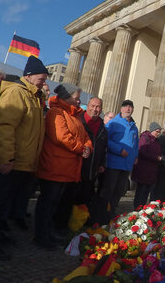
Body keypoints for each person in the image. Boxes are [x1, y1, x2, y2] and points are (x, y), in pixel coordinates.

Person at [0, 56, 47, 260]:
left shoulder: (36, 96)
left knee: (5, 203)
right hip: (11, 161)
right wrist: (5, 158)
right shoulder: (16, 92)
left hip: (23, 163)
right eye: (41, 78)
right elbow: (5, 127)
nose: (44, 82)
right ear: (28, 76)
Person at [35, 83, 92, 249]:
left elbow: (86, 135)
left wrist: (88, 146)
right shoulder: (55, 112)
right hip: (54, 165)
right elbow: (61, 137)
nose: (79, 100)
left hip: (67, 167)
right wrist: (82, 148)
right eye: (76, 98)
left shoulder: (74, 115)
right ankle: (41, 235)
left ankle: (49, 232)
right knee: (47, 202)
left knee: (55, 203)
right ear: (67, 97)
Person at [54, 96, 108, 230]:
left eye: (98, 107)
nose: (95, 109)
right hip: (76, 168)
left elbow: (103, 149)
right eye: (93, 106)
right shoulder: (80, 121)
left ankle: (76, 224)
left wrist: (102, 163)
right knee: (67, 198)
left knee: (83, 200)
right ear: (88, 106)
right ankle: (59, 225)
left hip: (92, 171)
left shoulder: (103, 128)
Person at [100, 99, 139, 221]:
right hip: (114, 163)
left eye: (130, 107)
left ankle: (112, 214)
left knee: (119, 191)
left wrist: (135, 156)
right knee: (108, 191)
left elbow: (135, 144)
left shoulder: (134, 127)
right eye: (126, 106)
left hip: (127, 165)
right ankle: (101, 216)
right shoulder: (113, 123)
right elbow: (105, 139)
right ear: (121, 109)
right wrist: (119, 150)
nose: (128, 109)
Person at [131, 122, 163, 209]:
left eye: (159, 132)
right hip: (143, 169)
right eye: (157, 131)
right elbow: (142, 151)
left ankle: (143, 208)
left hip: (151, 170)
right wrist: (156, 157)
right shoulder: (145, 138)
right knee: (141, 191)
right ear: (152, 130)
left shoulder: (156, 140)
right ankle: (137, 208)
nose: (158, 133)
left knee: (146, 192)